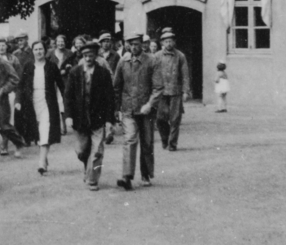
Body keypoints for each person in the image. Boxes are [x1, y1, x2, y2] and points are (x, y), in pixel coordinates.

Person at [64, 41, 115, 191]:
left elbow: (110, 98)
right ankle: (88, 167)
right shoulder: (75, 72)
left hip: (98, 118)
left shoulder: (103, 73)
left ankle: (94, 179)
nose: (88, 59)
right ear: (82, 56)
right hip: (80, 118)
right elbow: (68, 96)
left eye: (91, 56)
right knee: (82, 151)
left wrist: (109, 120)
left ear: (96, 56)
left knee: (98, 151)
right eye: (85, 56)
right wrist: (68, 116)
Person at [113, 35, 161, 189]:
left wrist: (150, 104)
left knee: (147, 143)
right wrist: (116, 108)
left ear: (143, 45)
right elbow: (117, 87)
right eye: (131, 44)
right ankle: (126, 176)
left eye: (137, 44)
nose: (134, 47)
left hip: (146, 110)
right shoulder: (123, 62)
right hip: (128, 109)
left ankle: (146, 174)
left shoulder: (152, 61)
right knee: (130, 139)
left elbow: (158, 87)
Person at [17, 39, 64, 176]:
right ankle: (44, 157)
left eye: (41, 49)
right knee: (37, 133)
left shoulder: (52, 66)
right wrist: (18, 101)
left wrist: (67, 101)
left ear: (45, 51)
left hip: (47, 103)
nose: (39, 52)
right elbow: (21, 85)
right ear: (33, 52)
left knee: (45, 129)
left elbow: (61, 85)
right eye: (36, 49)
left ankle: (41, 163)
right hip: (31, 103)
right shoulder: (28, 66)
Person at [152, 29, 191, 152]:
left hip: (175, 92)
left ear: (174, 42)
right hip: (161, 92)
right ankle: (165, 139)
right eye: (166, 41)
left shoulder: (180, 56)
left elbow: (185, 75)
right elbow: (151, 74)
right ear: (162, 43)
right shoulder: (157, 56)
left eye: (170, 41)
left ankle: (173, 144)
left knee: (175, 119)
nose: (168, 43)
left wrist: (185, 91)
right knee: (160, 119)